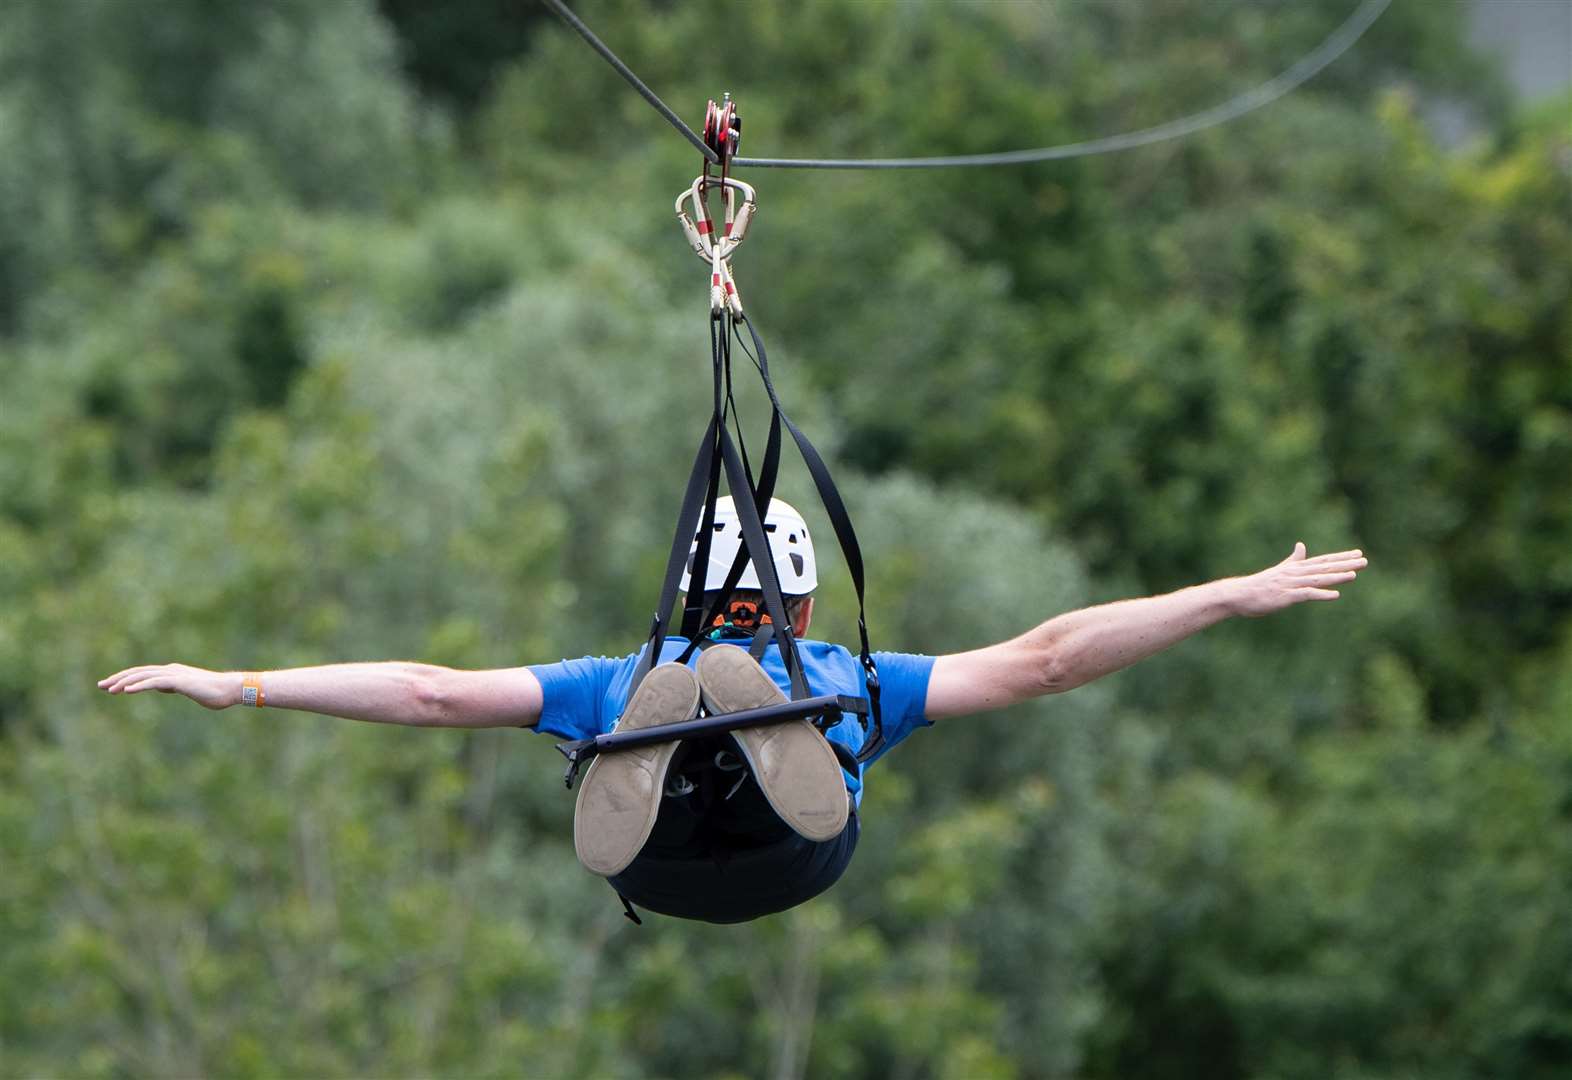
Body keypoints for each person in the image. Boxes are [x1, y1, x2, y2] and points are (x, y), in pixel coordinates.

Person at [98, 497, 1366, 923]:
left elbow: (431, 693)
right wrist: (1225, 593)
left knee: (620, 706)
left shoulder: (610, 677)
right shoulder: (864, 679)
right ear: (803, 612)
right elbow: (1048, 660)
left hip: (661, 865)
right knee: (822, 725)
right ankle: (763, 745)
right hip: (798, 862)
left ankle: (678, 751)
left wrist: (240, 682)